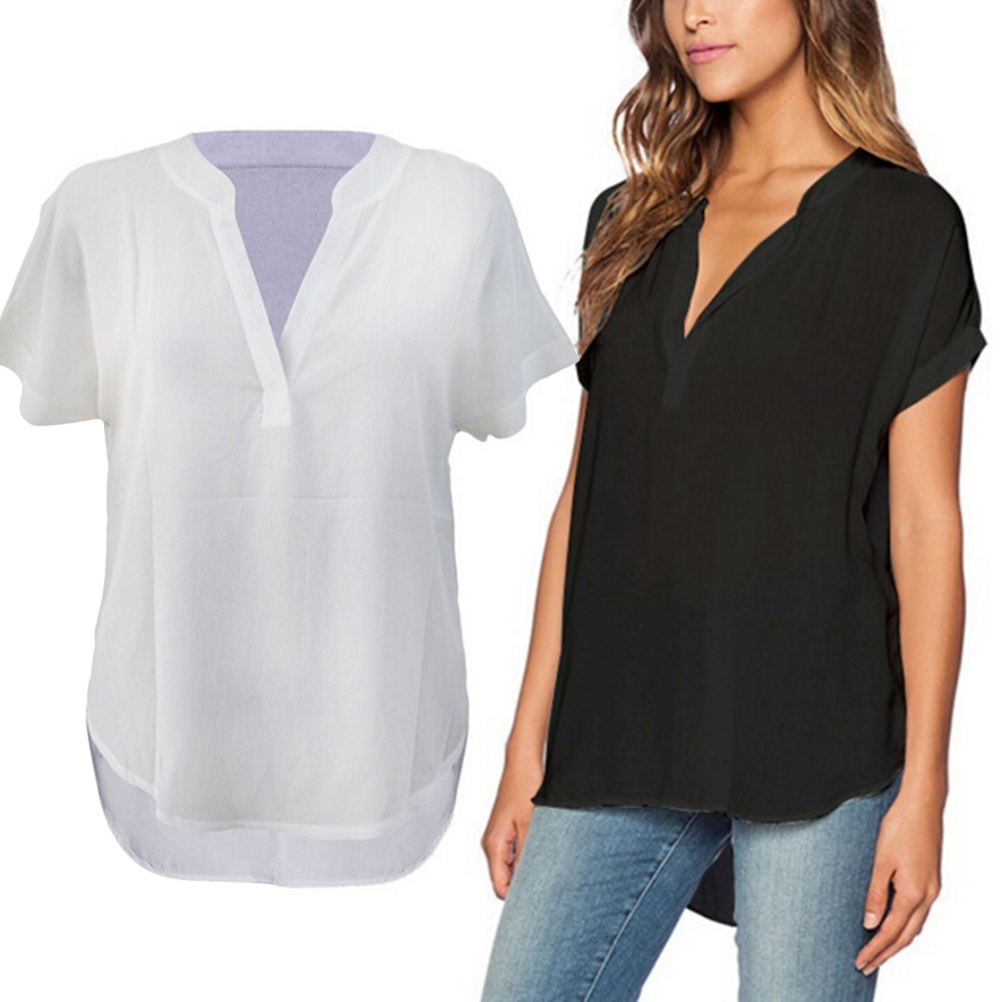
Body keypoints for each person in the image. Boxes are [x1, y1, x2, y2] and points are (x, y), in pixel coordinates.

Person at [479, 1, 987, 1000]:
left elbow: (925, 522)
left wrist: (926, 784)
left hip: (819, 739)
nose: (693, 14)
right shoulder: (627, 222)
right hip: (620, 726)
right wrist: (524, 745)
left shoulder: (907, 227)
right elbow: (587, 496)